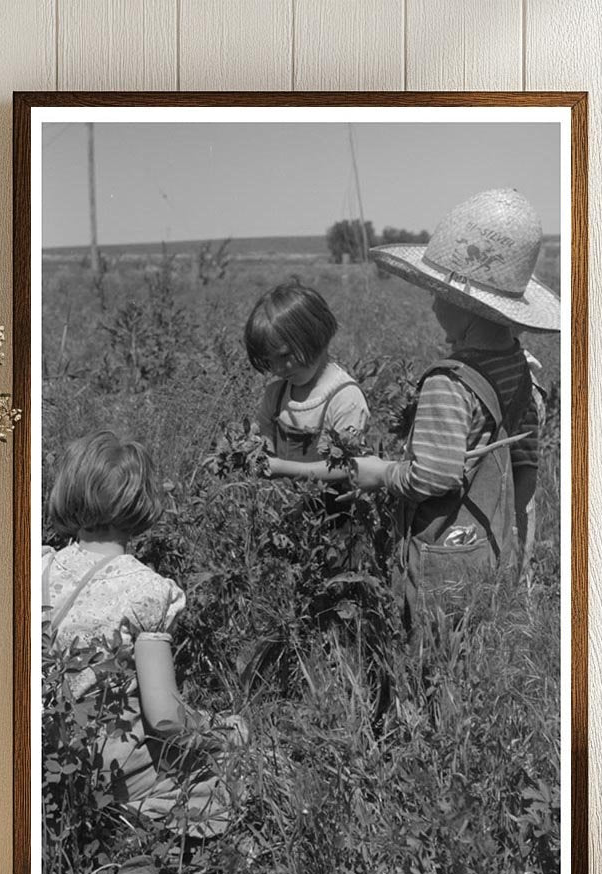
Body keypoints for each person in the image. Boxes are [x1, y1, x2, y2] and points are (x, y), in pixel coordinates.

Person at [351, 188, 561, 629]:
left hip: (445, 557)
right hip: (493, 547)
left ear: (467, 311)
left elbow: (434, 476)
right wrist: (520, 544)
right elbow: (525, 466)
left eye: (438, 293)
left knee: (434, 660)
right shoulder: (522, 370)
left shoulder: (448, 383)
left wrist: (380, 473)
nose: (430, 303)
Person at [42, 429, 245, 838]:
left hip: (46, 755)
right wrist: (218, 727)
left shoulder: (40, 566)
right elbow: (166, 718)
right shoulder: (146, 593)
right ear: (141, 504)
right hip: (108, 771)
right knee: (232, 766)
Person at [243, 281, 370, 481]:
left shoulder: (345, 398)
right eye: (269, 361)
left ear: (315, 337)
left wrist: (282, 468)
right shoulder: (276, 395)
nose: (277, 369)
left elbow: (348, 467)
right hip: (287, 504)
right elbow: (263, 439)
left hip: (334, 507)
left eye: (284, 356)